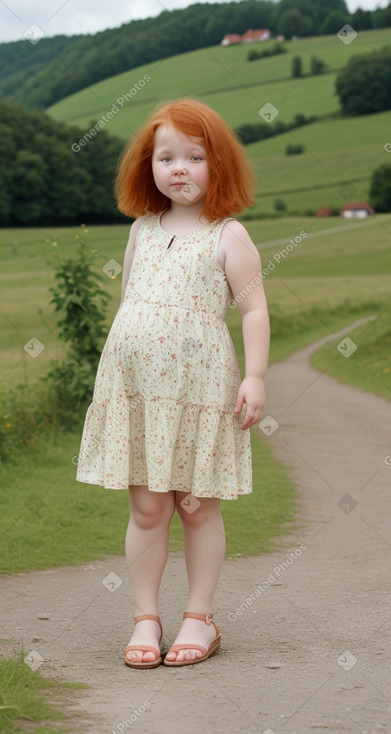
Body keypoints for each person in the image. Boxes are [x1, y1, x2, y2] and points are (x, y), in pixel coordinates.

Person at [76, 97, 270, 668]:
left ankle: (199, 617)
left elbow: (254, 309)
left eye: (194, 156)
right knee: (148, 509)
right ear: (149, 166)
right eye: (166, 157)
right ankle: (145, 617)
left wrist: (255, 376)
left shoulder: (228, 235)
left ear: (220, 166)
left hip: (201, 390)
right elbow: (132, 301)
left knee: (197, 507)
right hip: (139, 388)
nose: (179, 168)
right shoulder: (142, 229)